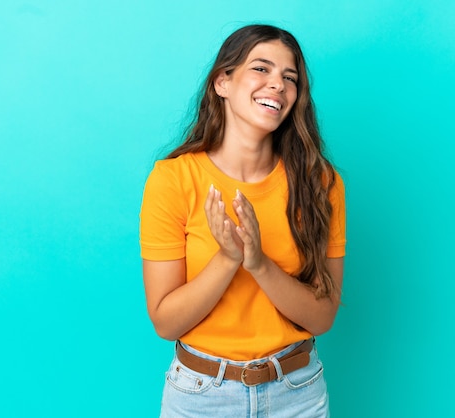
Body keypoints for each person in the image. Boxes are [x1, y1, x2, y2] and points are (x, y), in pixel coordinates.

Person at [139, 24, 346, 417]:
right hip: (201, 397)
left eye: (290, 78)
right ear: (222, 82)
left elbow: (322, 316)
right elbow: (166, 323)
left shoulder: (322, 184)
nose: (278, 85)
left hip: (297, 393)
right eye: (261, 69)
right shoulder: (173, 180)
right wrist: (228, 258)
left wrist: (258, 262)